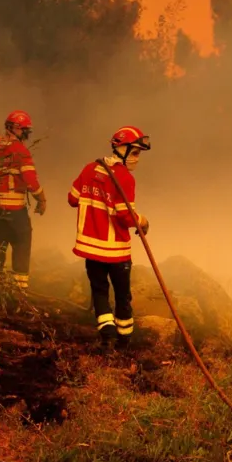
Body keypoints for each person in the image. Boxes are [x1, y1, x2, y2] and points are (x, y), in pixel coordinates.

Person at [68, 126, 151, 349]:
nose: (136, 159)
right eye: (135, 153)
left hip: (91, 250)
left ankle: (107, 336)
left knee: (99, 291)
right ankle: (124, 341)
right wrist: (142, 221)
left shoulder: (89, 169)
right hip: (116, 252)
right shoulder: (124, 178)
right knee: (123, 296)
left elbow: (72, 199)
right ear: (121, 148)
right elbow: (125, 217)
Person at [0, 110, 46, 289]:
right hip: (15, 211)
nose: (26, 135)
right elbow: (31, 182)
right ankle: (18, 293)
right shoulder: (20, 151)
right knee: (22, 245)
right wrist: (42, 199)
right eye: (25, 131)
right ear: (18, 129)